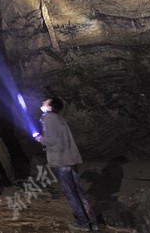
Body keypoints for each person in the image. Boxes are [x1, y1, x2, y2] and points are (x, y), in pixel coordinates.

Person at [34, 97, 100, 231]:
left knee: (70, 192)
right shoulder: (59, 118)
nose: (42, 103)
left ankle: (82, 223)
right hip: (70, 159)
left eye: (45, 102)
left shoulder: (49, 118)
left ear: (50, 107)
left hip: (61, 160)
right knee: (78, 191)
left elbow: (51, 141)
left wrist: (39, 138)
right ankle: (93, 222)